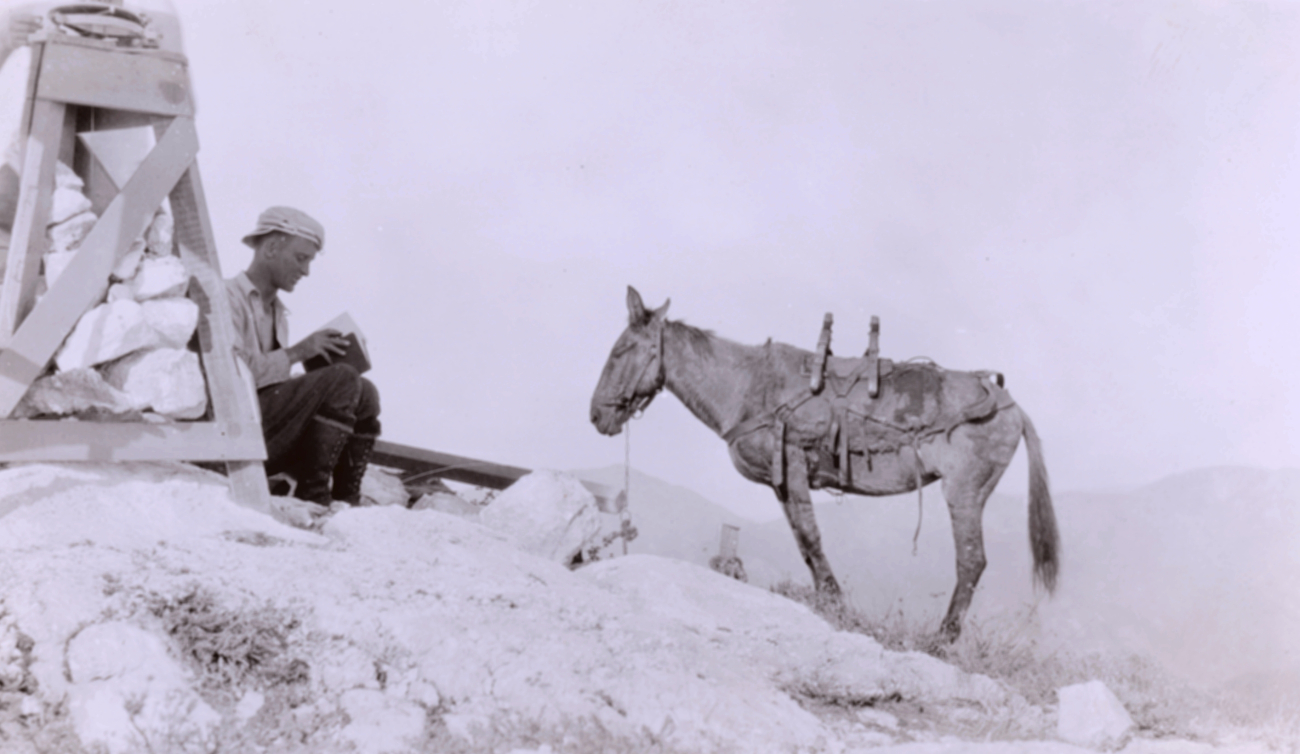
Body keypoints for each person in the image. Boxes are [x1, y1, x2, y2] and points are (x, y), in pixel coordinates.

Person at [225, 206, 381, 505]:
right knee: (342, 379)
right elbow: (231, 379)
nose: (306, 271)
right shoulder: (226, 297)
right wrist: (299, 352)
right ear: (271, 247)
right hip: (233, 434)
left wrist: (311, 374)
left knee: (365, 392)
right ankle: (314, 495)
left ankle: (347, 498)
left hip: (264, 432)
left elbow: (268, 387)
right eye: (301, 258)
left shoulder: (278, 314)